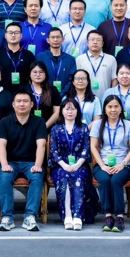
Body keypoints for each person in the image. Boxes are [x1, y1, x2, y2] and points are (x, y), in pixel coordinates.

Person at [0, 91, 48, 232]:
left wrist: (37, 165)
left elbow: (41, 145)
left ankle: (30, 217)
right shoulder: (5, 122)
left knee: (37, 177)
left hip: (30, 162)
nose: (22, 104)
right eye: (18, 101)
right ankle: (7, 218)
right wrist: (4, 164)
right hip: (10, 162)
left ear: (31, 104)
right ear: (13, 104)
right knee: (5, 177)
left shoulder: (39, 122)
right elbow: (1, 145)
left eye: (25, 101)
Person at [49, 98, 98, 230]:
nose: (70, 112)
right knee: (64, 177)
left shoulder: (83, 128)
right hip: (60, 165)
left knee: (77, 177)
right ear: (62, 111)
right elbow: (53, 151)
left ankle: (77, 216)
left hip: (80, 163)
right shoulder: (56, 129)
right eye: (67, 109)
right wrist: (64, 165)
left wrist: (77, 165)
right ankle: (68, 215)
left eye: (73, 109)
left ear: (77, 111)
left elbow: (86, 149)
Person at [91, 95, 130, 232]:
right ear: (104, 109)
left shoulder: (128, 125)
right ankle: (108, 216)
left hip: (123, 165)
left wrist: (122, 164)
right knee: (105, 179)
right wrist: (102, 165)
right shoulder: (98, 124)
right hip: (102, 164)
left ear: (121, 108)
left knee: (116, 180)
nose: (113, 110)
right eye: (110, 106)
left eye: (116, 106)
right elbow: (93, 146)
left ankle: (119, 217)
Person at [0, 22, 36, 93]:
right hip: (3, 93)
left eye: (16, 32)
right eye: (10, 33)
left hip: (24, 94)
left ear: (21, 35)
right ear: (5, 35)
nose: (13, 35)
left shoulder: (29, 55)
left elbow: (32, 77)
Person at [75, 30, 117, 101]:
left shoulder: (111, 59)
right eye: (92, 40)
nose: (95, 42)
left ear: (102, 44)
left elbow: (114, 80)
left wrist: (112, 97)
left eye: (98, 40)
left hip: (106, 98)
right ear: (87, 43)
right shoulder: (79, 59)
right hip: (85, 99)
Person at [36, 27, 77, 95]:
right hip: (44, 95)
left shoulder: (70, 59)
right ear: (48, 40)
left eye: (58, 37)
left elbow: (72, 79)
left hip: (65, 96)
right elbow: (37, 77)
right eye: (53, 37)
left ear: (62, 39)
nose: (55, 40)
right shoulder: (40, 57)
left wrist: (63, 94)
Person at [29, 61, 62, 128]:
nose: (38, 75)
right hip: (28, 129)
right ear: (29, 74)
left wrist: (44, 127)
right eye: (35, 72)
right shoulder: (24, 90)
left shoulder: (53, 90)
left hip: (47, 128)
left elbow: (56, 113)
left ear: (46, 74)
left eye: (41, 72)